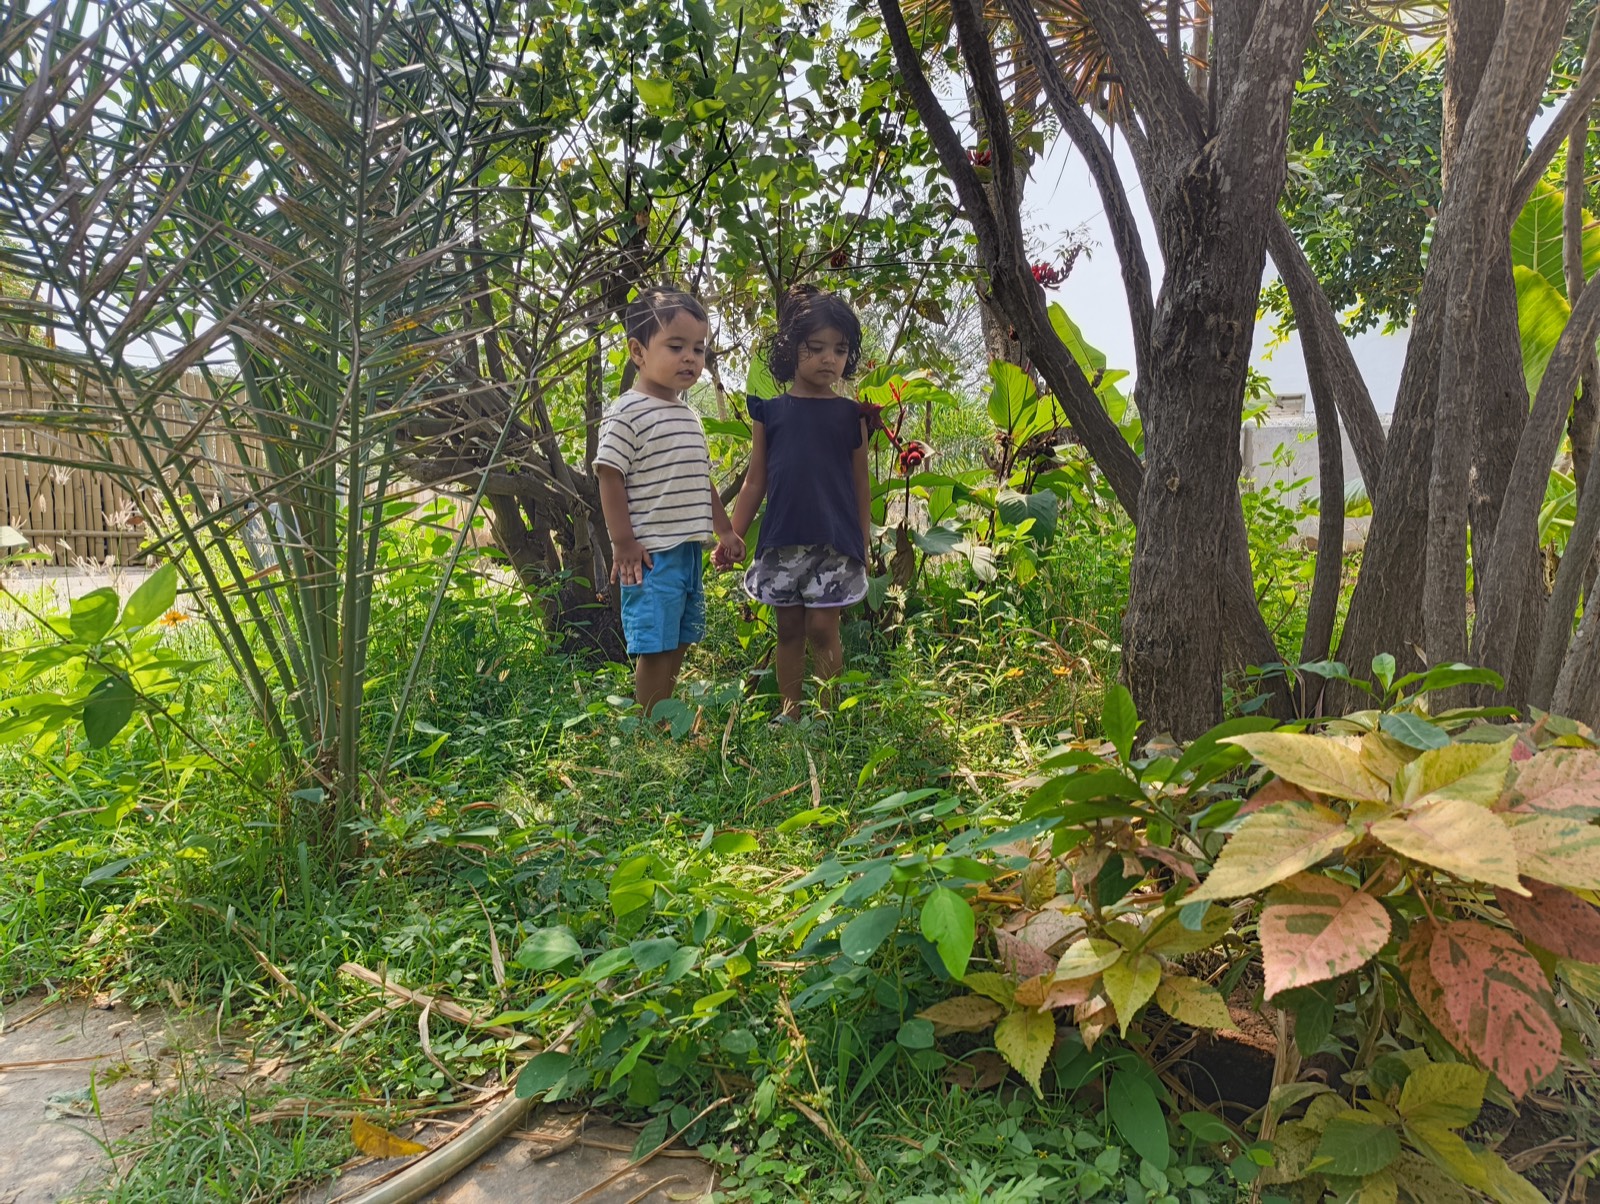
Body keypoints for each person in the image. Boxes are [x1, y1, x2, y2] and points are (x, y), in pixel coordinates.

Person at [721, 286, 872, 723]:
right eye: (817, 347)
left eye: (840, 350)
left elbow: (860, 485)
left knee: (824, 629)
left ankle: (825, 716)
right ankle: (790, 712)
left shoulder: (851, 417)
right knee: (788, 628)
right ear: (791, 348)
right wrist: (730, 534)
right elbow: (754, 479)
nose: (829, 359)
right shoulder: (771, 412)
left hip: (834, 541)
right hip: (783, 539)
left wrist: (862, 540)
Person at [594, 287, 743, 718]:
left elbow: (701, 479)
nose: (690, 359)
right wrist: (623, 543)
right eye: (675, 347)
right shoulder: (628, 411)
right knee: (655, 642)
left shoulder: (688, 416)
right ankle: (647, 722)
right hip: (651, 553)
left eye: (699, 349)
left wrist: (725, 529)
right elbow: (609, 475)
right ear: (638, 352)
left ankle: (664, 713)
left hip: (686, 552)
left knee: (678, 636)